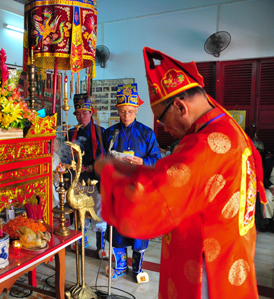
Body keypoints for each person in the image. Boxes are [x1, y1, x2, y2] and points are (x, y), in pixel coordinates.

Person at [95, 47, 267, 298]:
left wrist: (108, 173)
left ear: (180, 106)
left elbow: (153, 201)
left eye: (163, 120)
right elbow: (171, 174)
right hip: (231, 250)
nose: (165, 129)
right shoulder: (227, 125)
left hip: (208, 264)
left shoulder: (206, 144)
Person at [102, 83, 161, 280]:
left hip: (139, 190)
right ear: (118, 111)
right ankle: (119, 267)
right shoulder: (110, 133)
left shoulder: (147, 133)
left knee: (138, 231)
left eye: (130, 111)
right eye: (123, 111)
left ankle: (136, 268)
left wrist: (142, 161)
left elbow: (157, 160)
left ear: (136, 110)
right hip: (118, 190)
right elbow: (101, 158)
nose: (127, 115)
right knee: (118, 231)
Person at [68, 93, 107, 258]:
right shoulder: (71, 133)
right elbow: (66, 155)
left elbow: (105, 156)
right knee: (79, 209)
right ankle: (80, 240)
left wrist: (91, 167)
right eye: (78, 113)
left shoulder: (101, 132)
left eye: (85, 113)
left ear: (91, 113)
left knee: (98, 211)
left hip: (95, 178)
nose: (81, 116)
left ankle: (101, 245)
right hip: (77, 178)